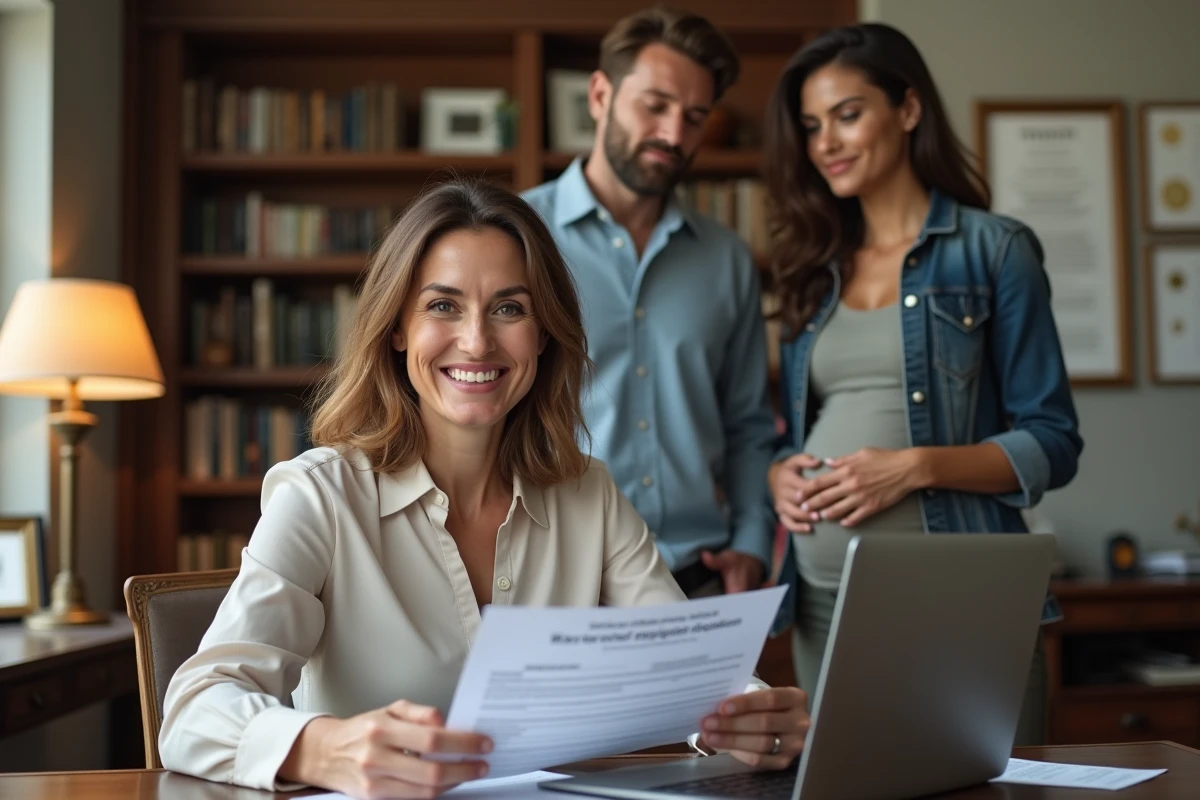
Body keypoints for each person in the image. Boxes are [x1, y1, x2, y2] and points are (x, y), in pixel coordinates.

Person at [157, 178, 809, 798]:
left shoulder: (589, 494)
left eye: (509, 308)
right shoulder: (319, 497)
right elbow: (192, 709)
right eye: (443, 305)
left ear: (543, 335)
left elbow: (686, 672)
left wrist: (745, 713)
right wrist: (324, 748)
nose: (476, 341)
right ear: (396, 330)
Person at [761, 23, 1083, 746]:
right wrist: (778, 471)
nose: (826, 144)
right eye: (812, 126)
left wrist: (911, 469)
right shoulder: (813, 267)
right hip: (820, 603)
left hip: (959, 598)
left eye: (848, 115)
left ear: (908, 110)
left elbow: (1053, 442)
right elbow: (792, 428)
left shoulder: (994, 251)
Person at [521, 7, 778, 600]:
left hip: (697, 581)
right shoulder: (516, 238)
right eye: (654, 105)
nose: (673, 135)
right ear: (600, 94)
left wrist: (752, 541)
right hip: (552, 580)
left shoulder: (726, 258)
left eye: (694, 117)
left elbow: (747, 425)